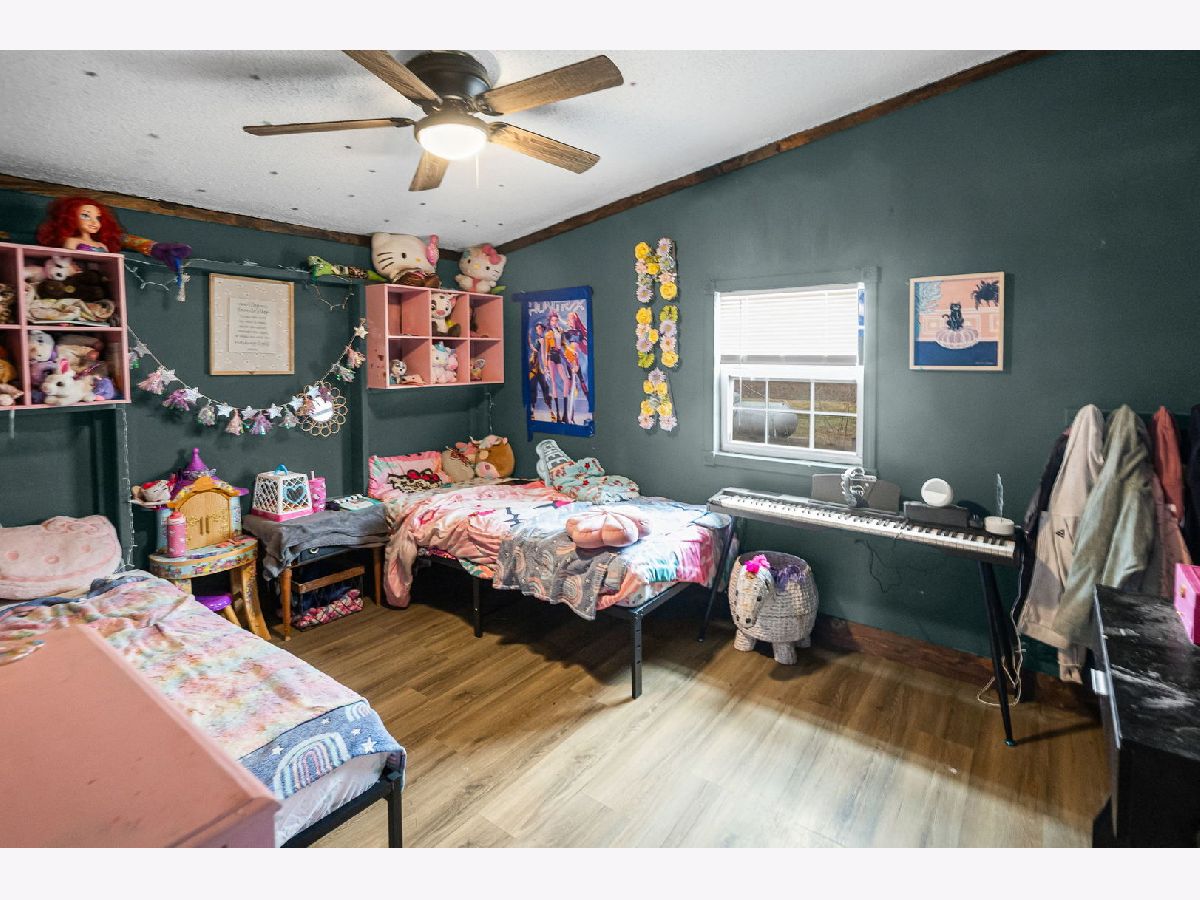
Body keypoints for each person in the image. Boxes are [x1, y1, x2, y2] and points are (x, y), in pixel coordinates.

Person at [528, 321, 552, 417]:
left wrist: (545, 367)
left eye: (540, 328)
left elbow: (542, 354)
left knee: (545, 387)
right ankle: (533, 410)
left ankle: (550, 410)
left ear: (543, 329)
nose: (539, 330)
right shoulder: (538, 339)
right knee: (532, 388)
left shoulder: (542, 339)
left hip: (539, 367)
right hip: (533, 366)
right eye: (537, 328)